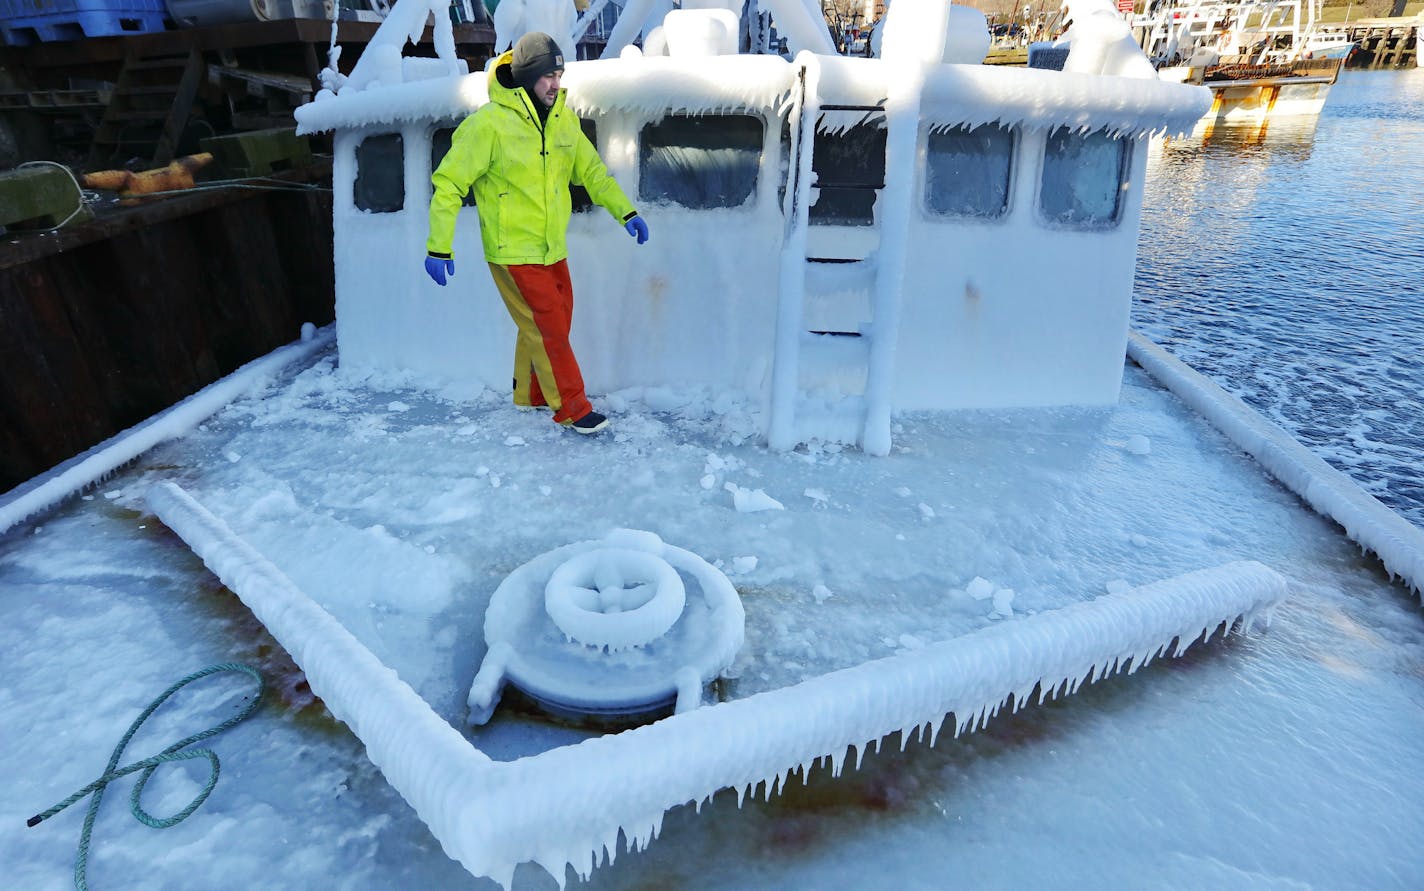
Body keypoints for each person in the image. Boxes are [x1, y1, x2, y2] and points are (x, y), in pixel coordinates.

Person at [424, 31, 650, 435]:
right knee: (548, 326)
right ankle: (573, 408)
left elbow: (592, 172)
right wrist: (439, 247)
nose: (556, 84)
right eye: (548, 76)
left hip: (551, 247)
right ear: (527, 76)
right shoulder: (488, 126)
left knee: (554, 322)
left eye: (560, 74)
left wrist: (626, 212)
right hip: (511, 250)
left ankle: (530, 392)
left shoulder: (563, 119)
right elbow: (449, 183)